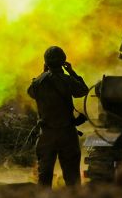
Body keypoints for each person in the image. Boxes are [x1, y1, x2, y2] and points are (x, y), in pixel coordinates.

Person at [27, 45, 89, 187]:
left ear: (46, 63)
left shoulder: (38, 83)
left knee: (44, 177)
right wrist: (71, 72)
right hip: (67, 134)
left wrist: (43, 73)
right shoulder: (68, 80)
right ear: (63, 62)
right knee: (72, 177)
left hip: (47, 134)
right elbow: (83, 90)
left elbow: (31, 92)